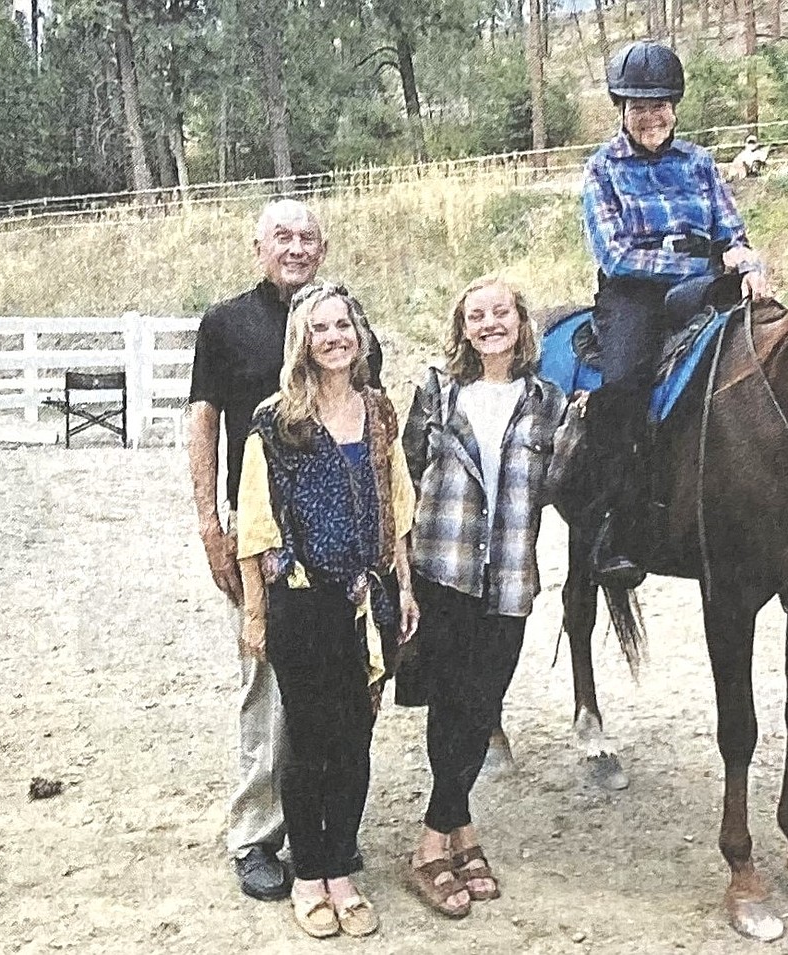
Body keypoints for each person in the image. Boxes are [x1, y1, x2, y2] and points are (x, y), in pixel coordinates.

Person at [186, 198, 382, 902]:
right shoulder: (226, 324)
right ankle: (255, 833)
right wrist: (212, 523)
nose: (295, 247)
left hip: (343, 539)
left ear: (323, 249)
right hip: (265, 533)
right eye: (282, 237)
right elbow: (203, 422)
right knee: (267, 687)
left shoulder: (348, 323)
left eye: (307, 237)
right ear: (258, 247)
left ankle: (324, 829)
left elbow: (376, 434)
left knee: (346, 684)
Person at [236, 282, 417, 937]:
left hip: (369, 602)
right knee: (308, 740)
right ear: (302, 341)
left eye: (345, 325)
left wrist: (406, 585)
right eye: (322, 327)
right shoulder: (276, 419)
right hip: (301, 604)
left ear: (359, 336)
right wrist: (256, 613)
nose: (337, 336)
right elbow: (254, 527)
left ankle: (342, 867)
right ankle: (308, 873)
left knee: (356, 739)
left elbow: (396, 502)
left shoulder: (378, 412)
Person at [401, 275, 567, 919]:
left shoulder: (548, 402)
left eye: (502, 312)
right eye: (477, 315)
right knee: (455, 707)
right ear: (463, 328)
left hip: (509, 580)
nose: (490, 323)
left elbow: (561, 483)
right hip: (443, 572)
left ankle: (459, 829)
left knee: (483, 703)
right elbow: (406, 477)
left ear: (522, 324)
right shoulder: (437, 394)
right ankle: (431, 847)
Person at [581, 40, 770, 587]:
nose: (650, 116)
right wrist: (703, 265)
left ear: (674, 107)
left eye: (659, 104)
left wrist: (748, 261)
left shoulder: (699, 162)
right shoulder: (602, 169)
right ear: (622, 109)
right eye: (639, 106)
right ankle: (616, 523)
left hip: (708, 282)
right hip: (635, 293)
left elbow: (732, 231)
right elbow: (617, 255)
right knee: (622, 385)